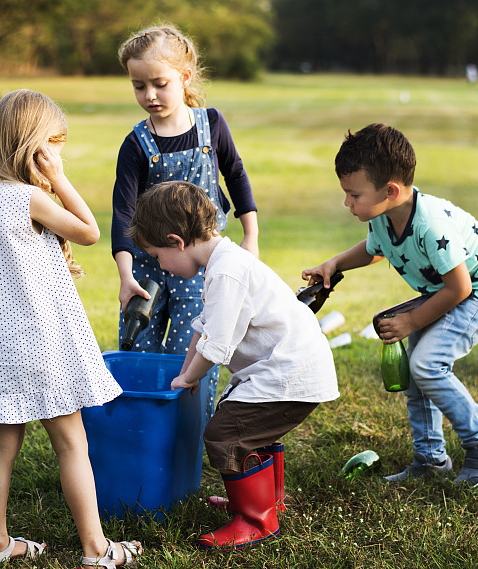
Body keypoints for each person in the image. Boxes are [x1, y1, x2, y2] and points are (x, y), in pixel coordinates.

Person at [0, 89, 142, 567]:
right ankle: (97, 550)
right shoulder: (27, 197)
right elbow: (90, 231)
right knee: (72, 443)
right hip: (39, 347)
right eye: (55, 145)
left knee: (2, 444)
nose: (59, 154)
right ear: (32, 147)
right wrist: (59, 178)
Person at [303, 123, 478, 488]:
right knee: (418, 370)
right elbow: (374, 249)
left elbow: (460, 287)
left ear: (391, 190)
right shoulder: (387, 216)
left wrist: (411, 322)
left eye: (353, 195)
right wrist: (335, 264)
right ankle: (431, 458)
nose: (346, 203)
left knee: (426, 364)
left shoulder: (430, 225)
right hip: (446, 291)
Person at [128, 181, 339, 549]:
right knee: (252, 430)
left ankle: (255, 521)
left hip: (291, 372)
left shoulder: (226, 272)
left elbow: (217, 346)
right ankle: (262, 502)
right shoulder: (223, 262)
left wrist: (189, 378)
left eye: (158, 256)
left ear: (177, 241)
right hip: (288, 369)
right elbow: (204, 329)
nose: (160, 266)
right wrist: (183, 373)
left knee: (226, 434)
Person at [112, 25, 260, 419]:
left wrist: (251, 236)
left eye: (159, 84)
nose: (149, 96)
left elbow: (237, 175)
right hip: (147, 269)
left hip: (201, 272)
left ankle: (187, 434)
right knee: (138, 349)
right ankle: (140, 427)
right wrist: (127, 277)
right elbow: (122, 212)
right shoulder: (136, 144)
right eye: (138, 86)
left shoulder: (212, 125)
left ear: (185, 77)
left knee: (189, 355)